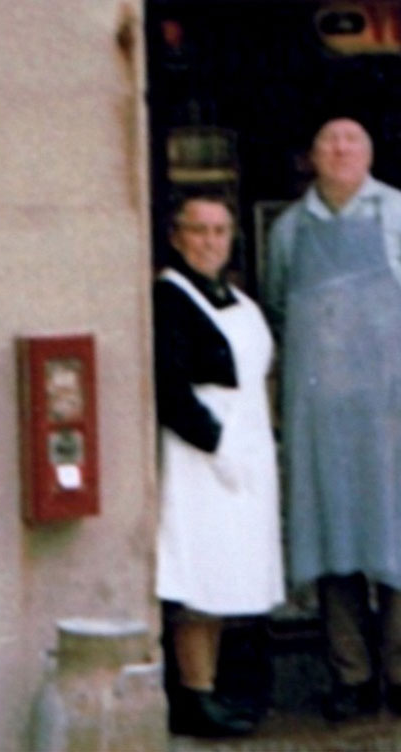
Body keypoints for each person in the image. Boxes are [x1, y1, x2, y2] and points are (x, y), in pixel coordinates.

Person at [263, 118, 401, 722]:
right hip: (322, 414)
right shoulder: (289, 230)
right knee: (333, 538)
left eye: (351, 141)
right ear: (312, 157)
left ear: (369, 154)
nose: (340, 149)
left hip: (394, 411)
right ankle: (349, 676)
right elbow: (279, 306)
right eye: (329, 141)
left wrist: (400, 360)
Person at [152, 192, 285, 738]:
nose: (209, 241)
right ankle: (195, 693)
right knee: (198, 575)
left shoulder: (238, 299)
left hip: (247, 453)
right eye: (198, 230)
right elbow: (169, 387)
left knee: (231, 573)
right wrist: (217, 445)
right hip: (197, 457)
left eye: (219, 231)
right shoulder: (169, 296)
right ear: (176, 236)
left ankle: (216, 687)